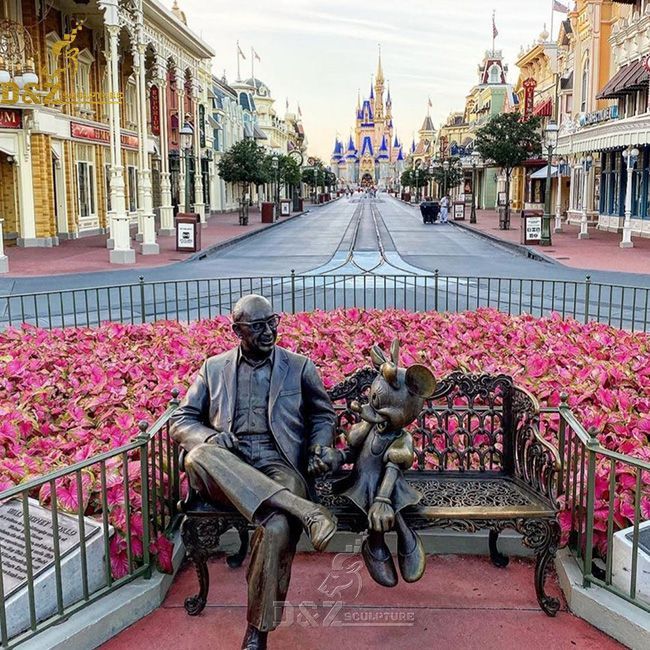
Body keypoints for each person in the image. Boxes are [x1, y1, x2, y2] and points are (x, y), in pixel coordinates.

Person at [171, 295, 341, 650]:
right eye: (258, 325)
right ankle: (306, 510)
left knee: (276, 524)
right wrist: (212, 436)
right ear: (237, 330)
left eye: (273, 322)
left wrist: (318, 446)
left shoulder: (298, 366)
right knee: (199, 455)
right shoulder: (213, 368)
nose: (269, 331)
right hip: (226, 463)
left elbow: (323, 415)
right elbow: (182, 420)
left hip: (278, 461)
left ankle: (257, 630)